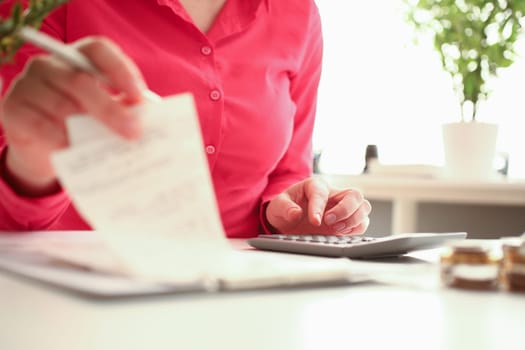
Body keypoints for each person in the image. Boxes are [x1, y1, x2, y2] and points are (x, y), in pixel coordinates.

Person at [0, 0, 371, 238]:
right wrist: (30, 168)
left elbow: (290, 172)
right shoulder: (38, 7)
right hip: (74, 293)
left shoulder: (298, 13)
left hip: (243, 290)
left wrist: (292, 215)